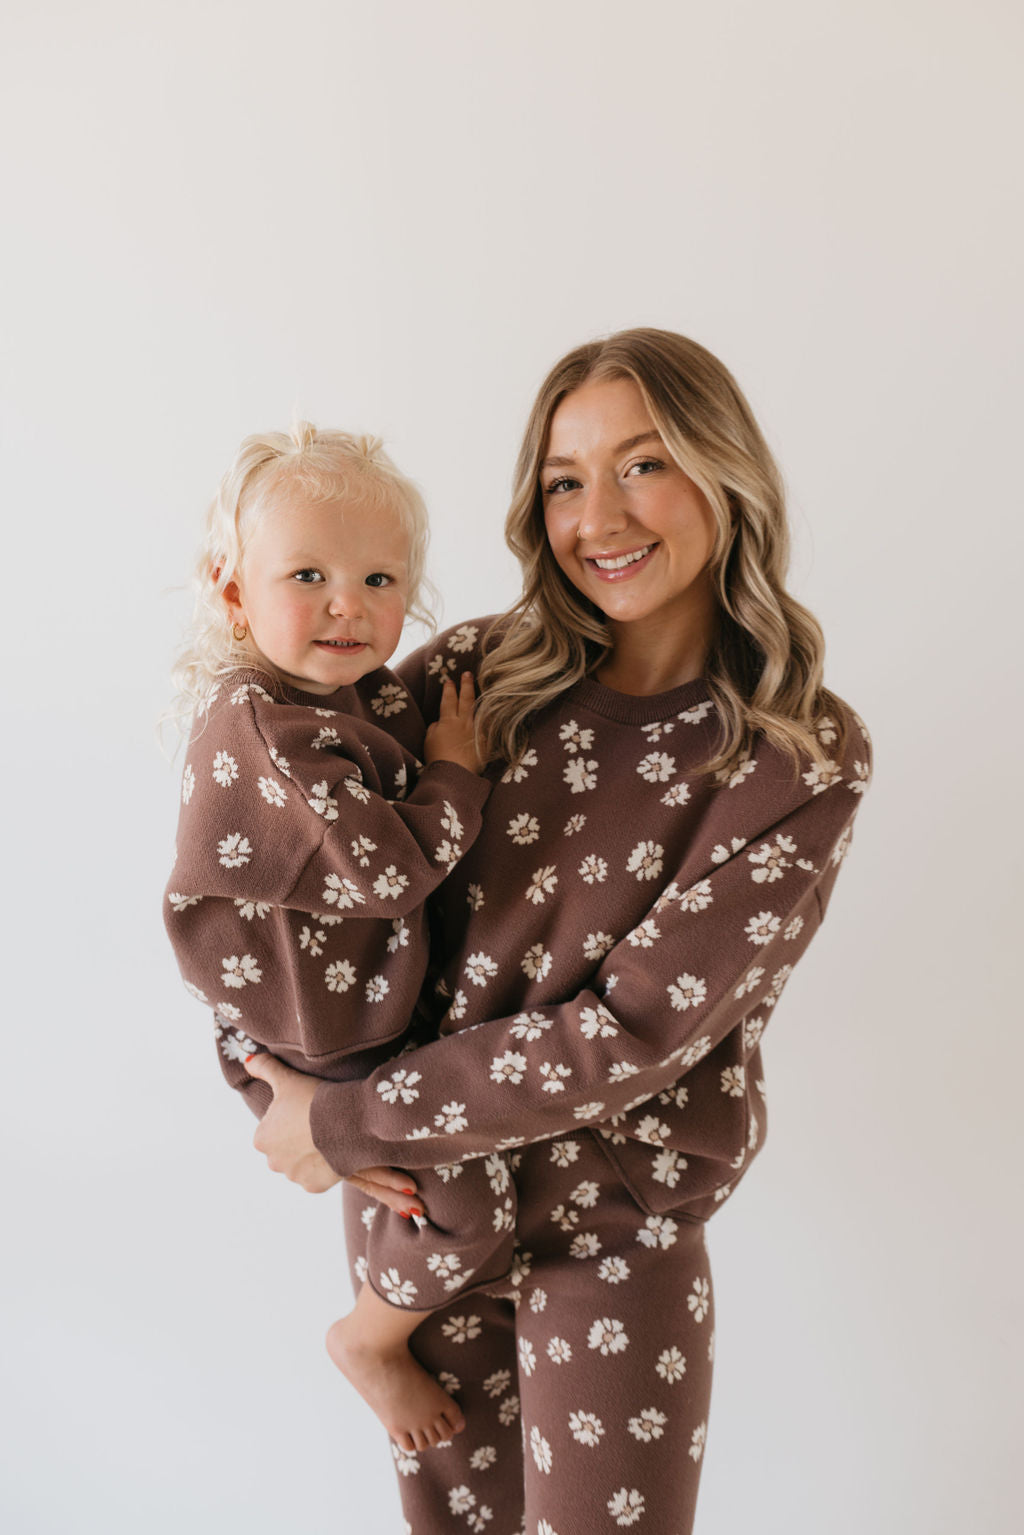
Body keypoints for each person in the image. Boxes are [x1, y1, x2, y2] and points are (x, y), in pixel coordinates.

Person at [242, 331, 872, 1534]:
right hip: (426, 1206)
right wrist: (261, 1077)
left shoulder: (795, 753)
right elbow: (289, 857)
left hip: (613, 1228)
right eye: (564, 479)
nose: (600, 514)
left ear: (722, 472)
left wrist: (343, 1117)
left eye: (643, 463)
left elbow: (631, 1031)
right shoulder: (476, 674)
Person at [163, 423, 522, 1452]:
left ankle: (386, 1304)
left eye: (378, 576)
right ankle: (369, 1337)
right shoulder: (261, 725)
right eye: (308, 573)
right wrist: (457, 772)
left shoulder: (331, 698)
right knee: (470, 1204)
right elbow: (384, 867)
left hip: (327, 1016)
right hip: (319, 1033)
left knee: (428, 1196)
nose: (347, 604)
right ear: (234, 593)